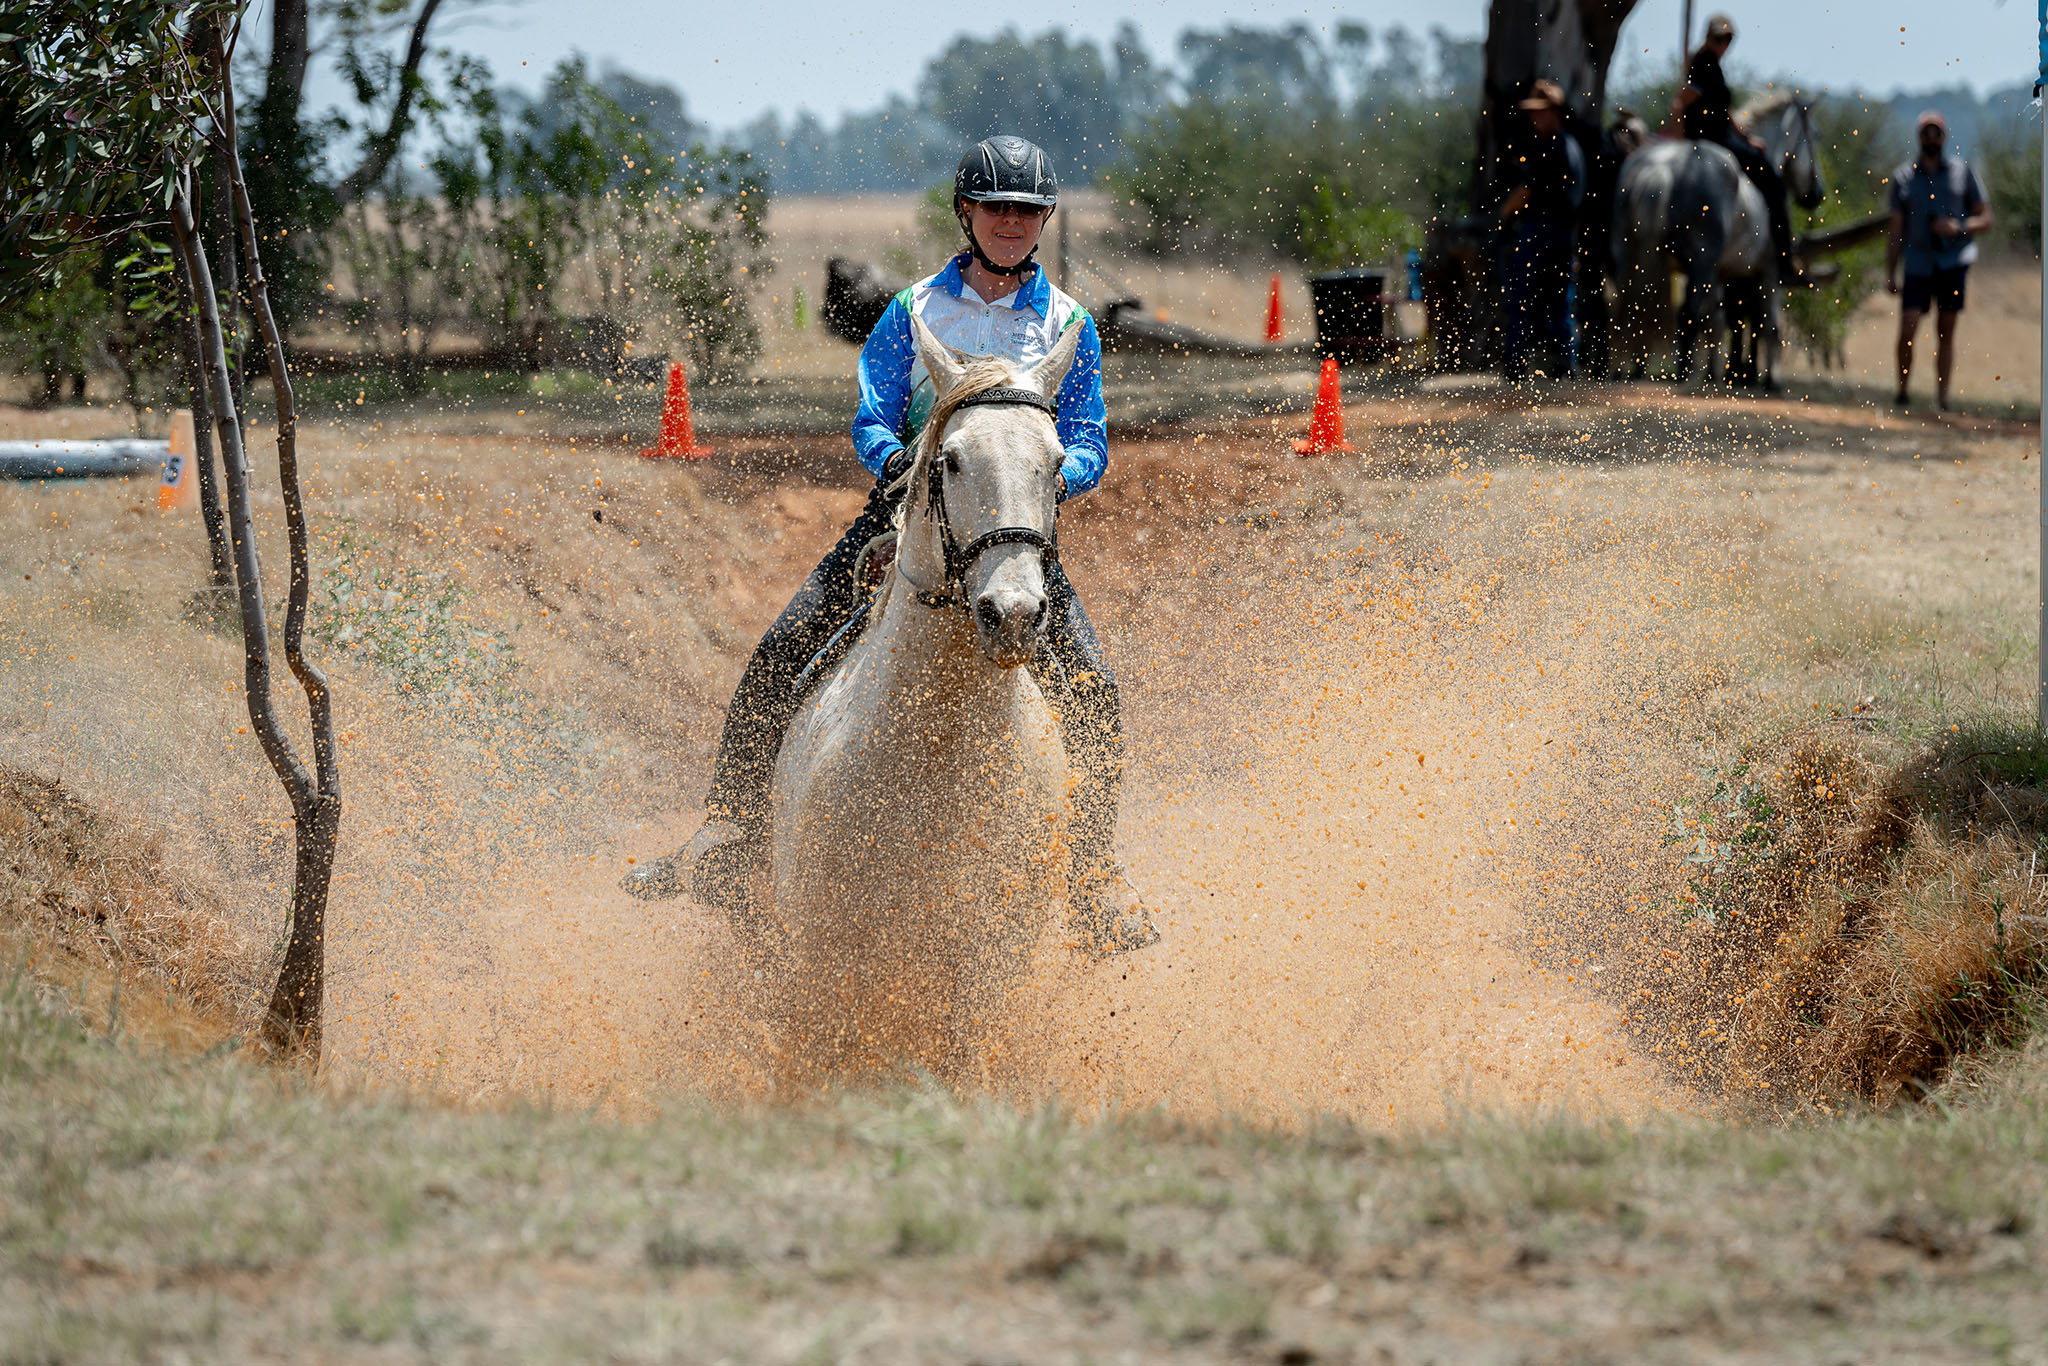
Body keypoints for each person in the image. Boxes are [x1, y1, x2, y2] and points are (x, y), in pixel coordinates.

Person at [622, 134, 1159, 956]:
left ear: (1044, 219)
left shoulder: (1069, 325)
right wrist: (900, 462)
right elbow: (872, 415)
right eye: (997, 207)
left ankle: (1093, 875)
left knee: (1094, 687)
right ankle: (728, 832)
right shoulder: (912, 311)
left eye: (1027, 210)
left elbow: (1089, 437)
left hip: (1010, 532)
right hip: (905, 519)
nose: (1012, 223)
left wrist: (1056, 473)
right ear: (966, 213)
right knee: (784, 645)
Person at [1673, 13, 1793, 275]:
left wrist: (1748, 138)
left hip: (1723, 137)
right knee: (1775, 184)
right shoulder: (1703, 65)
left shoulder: (1711, 65)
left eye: (1727, 39)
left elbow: (1724, 108)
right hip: (1715, 141)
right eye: (1718, 39)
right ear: (1708, 38)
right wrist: (1676, 135)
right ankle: (1784, 262)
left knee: (1760, 161)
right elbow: (1682, 101)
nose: (1723, 45)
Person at [1886, 110, 1991, 410]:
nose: (1931, 138)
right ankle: (1902, 392)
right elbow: (1895, 230)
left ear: (1944, 137)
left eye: (1937, 133)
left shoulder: (1962, 171)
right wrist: (1891, 271)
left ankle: (1942, 399)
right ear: (1919, 136)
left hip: (1951, 262)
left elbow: (1985, 218)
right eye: (1926, 132)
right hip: (1917, 262)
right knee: (1908, 326)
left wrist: (1957, 226)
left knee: (1946, 331)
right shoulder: (1903, 177)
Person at [1499, 80, 1584, 381]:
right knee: (1560, 298)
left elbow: (1526, 191)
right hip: (1563, 233)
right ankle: (1565, 364)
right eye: (1533, 113)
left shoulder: (1548, 148)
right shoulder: (1573, 148)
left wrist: (1502, 214)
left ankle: (1516, 363)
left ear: (1555, 112)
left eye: (1541, 112)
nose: (1535, 118)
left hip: (1540, 231)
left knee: (1521, 296)